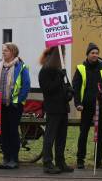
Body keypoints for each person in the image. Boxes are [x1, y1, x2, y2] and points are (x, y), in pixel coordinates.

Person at [0, 42, 30, 169]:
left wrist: (18, 100)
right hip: (0, 104)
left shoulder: (21, 67)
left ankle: (13, 159)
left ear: (13, 52)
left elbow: (26, 86)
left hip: (14, 105)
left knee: (12, 131)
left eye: (6, 50)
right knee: (4, 131)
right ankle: (5, 158)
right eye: (3, 50)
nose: (3, 52)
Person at [72, 42, 102, 169]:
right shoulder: (81, 69)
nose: (95, 55)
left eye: (96, 53)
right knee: (83, 133)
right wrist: (77, 103)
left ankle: (98, 161)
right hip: (87, 106)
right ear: (87, 54)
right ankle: (80, 160)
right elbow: (76, 88)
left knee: (101, 134)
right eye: (92, 53)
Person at [38, 46, 73, 174]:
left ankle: (60, 161)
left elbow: (66, 86)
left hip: (63, 107)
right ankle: (47, 162)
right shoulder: (45, 71)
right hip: (53, 108)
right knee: (50, 136)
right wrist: (60, 78)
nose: (63, 56)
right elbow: (48, 89)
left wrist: (69, 92)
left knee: (61, 137)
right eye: (62, 53)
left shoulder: (59, 69)